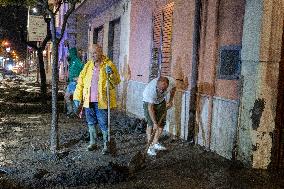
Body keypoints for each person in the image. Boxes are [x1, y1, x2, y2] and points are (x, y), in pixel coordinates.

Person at [73, 44, 121, 154]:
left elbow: (116, 81)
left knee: (104, 123)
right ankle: (93, 142)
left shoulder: (108, 64)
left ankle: (106, 145)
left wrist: (112, 74)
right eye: (91, 53)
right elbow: (80, 82)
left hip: (102, 101)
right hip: (88, 100)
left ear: (100, 52)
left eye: (94, 53)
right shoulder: (88, 65)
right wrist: (77, 96)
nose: (92, 55)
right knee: (90, 122)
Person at [142, 76, 176, 156]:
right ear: (157, 85)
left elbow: (174, 89)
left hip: (161, 101)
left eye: (163, 90)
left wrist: (170, 100)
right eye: (159, 89)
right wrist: (154, 123)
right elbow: (150, 108)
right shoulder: (150, 92)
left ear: (167, 86)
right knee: (150, 124)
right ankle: (150, 146)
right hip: (148, 102)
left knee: (161, 124)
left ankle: (155, 142)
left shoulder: (172, 82)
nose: (161, 91)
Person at [64, 40, 84, 117]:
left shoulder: (77, 61)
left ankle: (74, 112)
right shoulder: (72, 62)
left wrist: (79, 77)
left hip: (76, 83)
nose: (68, 54)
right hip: (71, 83)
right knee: (67, 96)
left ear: (72, 54)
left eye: (69, 53)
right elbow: (67, 58)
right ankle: (71, 111)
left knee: (75, 97)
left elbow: (84, 68)